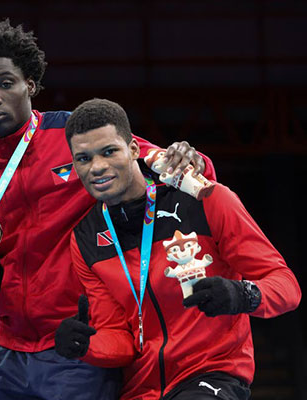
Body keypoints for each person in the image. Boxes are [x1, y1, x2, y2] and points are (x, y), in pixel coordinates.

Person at [0, 17, 217, 399]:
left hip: (79, 345)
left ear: (30, 84)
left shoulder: (75, 136)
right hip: (8, 354)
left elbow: (162, 163)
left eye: (5, 83)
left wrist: (190, 161)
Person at [55, 98, 301, 399]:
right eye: (83, 158)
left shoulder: (204, 200)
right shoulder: (85, 237)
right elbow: (121, 339)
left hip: (212, 375)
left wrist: (242, 295)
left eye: (109, 152)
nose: (97, 167)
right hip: (140, 389)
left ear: (134, 150)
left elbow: (287, 286)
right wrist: (87, 346)